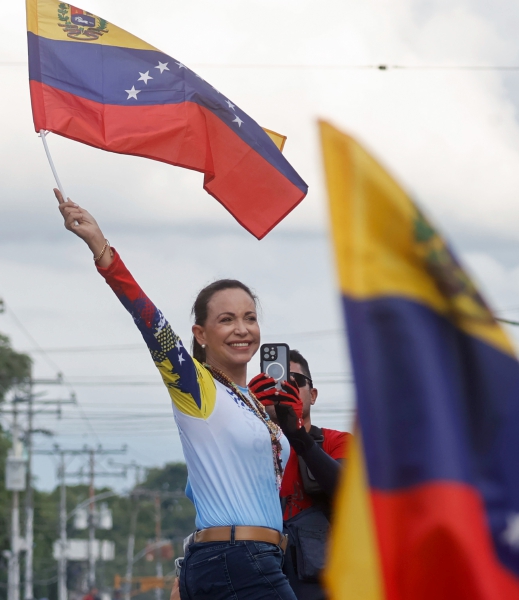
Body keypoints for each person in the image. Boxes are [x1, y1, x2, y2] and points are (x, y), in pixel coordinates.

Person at [54, 189, 297, 600]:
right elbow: (151, 322)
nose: (242, 328)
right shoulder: (197, 388)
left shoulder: (255, 404)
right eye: (226, 319)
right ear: (200, 335)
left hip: (245, 560)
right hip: (238, 561)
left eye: (250, 318)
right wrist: (102, 249)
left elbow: (202, 486)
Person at [249, 349, 351, 600]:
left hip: (320, 582)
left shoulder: (336, 441)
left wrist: (297, 436)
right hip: (260, 577)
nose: (285, 388)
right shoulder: (247, 445)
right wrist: (245, 410)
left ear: (313, 395)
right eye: (274, 381)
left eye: (296, 382)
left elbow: (348, 493)